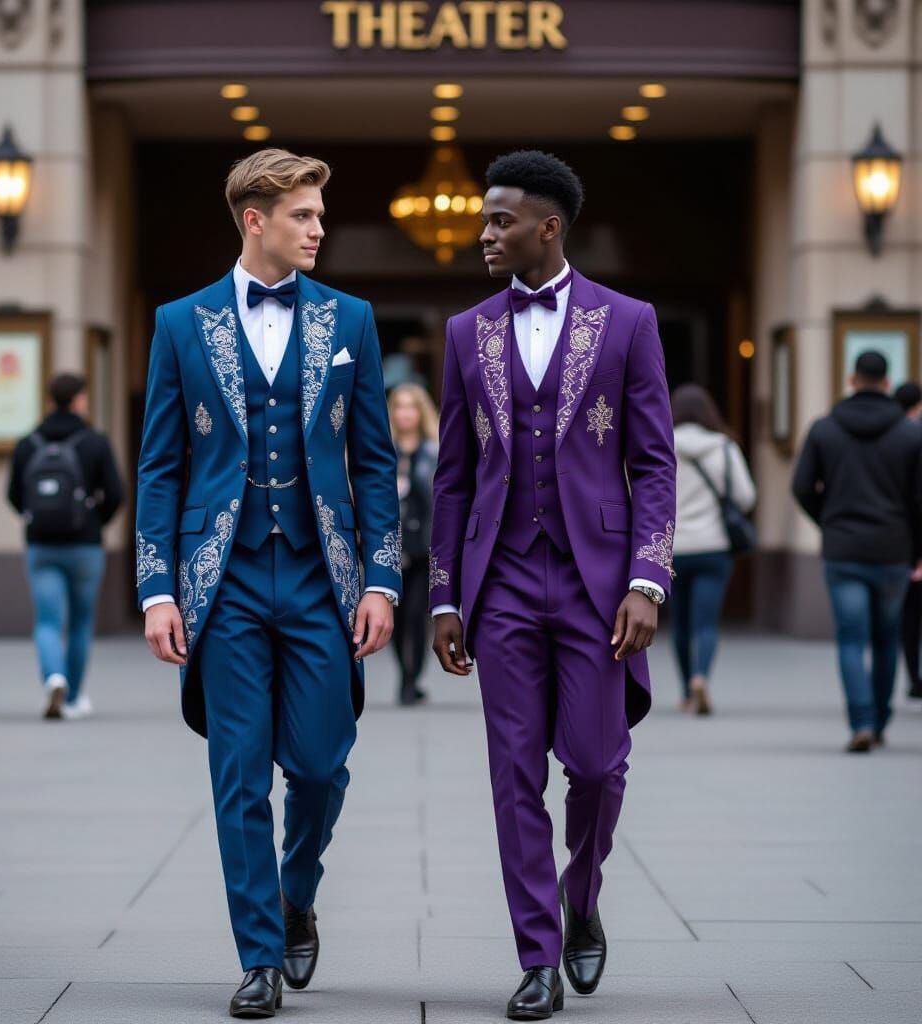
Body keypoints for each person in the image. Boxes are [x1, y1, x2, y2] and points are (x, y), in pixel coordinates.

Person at [136, 149, 400, 1019]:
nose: (321, 229)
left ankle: (296, 893)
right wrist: (158, 588)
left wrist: (383, 581)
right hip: (226, 582)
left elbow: (372, 461)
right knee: (239, 773)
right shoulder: (181, 324)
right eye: (305, 216)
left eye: (320, 216)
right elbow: (161, 470)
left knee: (322, 766)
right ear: (256, 220)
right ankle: (258, 957)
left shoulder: (351, 320)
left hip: (324, 577)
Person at [429, 150, 676, 1020]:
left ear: (549, 228)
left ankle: (583, 893)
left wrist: (648, 578)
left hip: (597, 584)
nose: (483, 233)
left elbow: (653, 463)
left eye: (500, 220)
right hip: (499, 584)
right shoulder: (468, 333)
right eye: (484, 218)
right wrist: (446, 594)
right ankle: (536, 955)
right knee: (512, 773)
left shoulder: (628, 321)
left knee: (600, 765)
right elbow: (453, 476)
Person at [793, 351, 922, 752]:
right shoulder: (910, 434)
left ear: (852, 379)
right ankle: (880, 721)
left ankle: (860, 722)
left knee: (851, 640)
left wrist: (829, 522)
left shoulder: (824, 429)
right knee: (886, 638)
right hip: (893, 550)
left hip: (843, 550)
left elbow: (801, 488)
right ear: (887, 383)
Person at [7, 373, 123, 721]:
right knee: (80, 622)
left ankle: (53, 676)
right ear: (79, 400)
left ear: (50, 400)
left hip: (41, 545)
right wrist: (93, 521)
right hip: (84, 546)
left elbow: (14, 494)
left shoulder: (28, 443)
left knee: (47, 620)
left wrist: (34, 518)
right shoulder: (95, 442)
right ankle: (72, 696)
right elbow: (116, 493)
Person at [671, 383, 756, 715]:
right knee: (705, 623)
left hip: (673, 548)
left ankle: (684, 692)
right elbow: (746, 496)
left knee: (679, 623)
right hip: (713, 546)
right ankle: (701, 677)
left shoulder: (663, 442)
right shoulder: (723, 447)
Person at [388, 382, 439, 705]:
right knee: (395, 616)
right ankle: (404, 672)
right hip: (390, 545)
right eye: (399, 406)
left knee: (418, 615)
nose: (405, 413)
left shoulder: (434, 451)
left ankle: (412, 677)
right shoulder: (382, 449)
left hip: (424, 546)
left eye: (411, 406)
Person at [893, 382, 922, 699]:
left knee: (908, 615)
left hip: (895, 539)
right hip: (909, 540)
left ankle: (914, 674)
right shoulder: (913, 437)